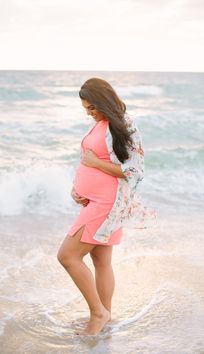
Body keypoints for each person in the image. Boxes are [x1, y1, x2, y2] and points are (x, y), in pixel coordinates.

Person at [57, 77, 145, 336]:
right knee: (101, 259)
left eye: (92, 107)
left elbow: (135, 171)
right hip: (94, 201)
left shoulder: (125, 124)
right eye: (85, 109)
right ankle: (105, 314)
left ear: (104, 101)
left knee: (67, 256)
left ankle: (98, 313)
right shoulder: (100, 125)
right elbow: (88, 160)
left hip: (107, 204)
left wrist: (95, 165)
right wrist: (78, 189)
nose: (89, 113)